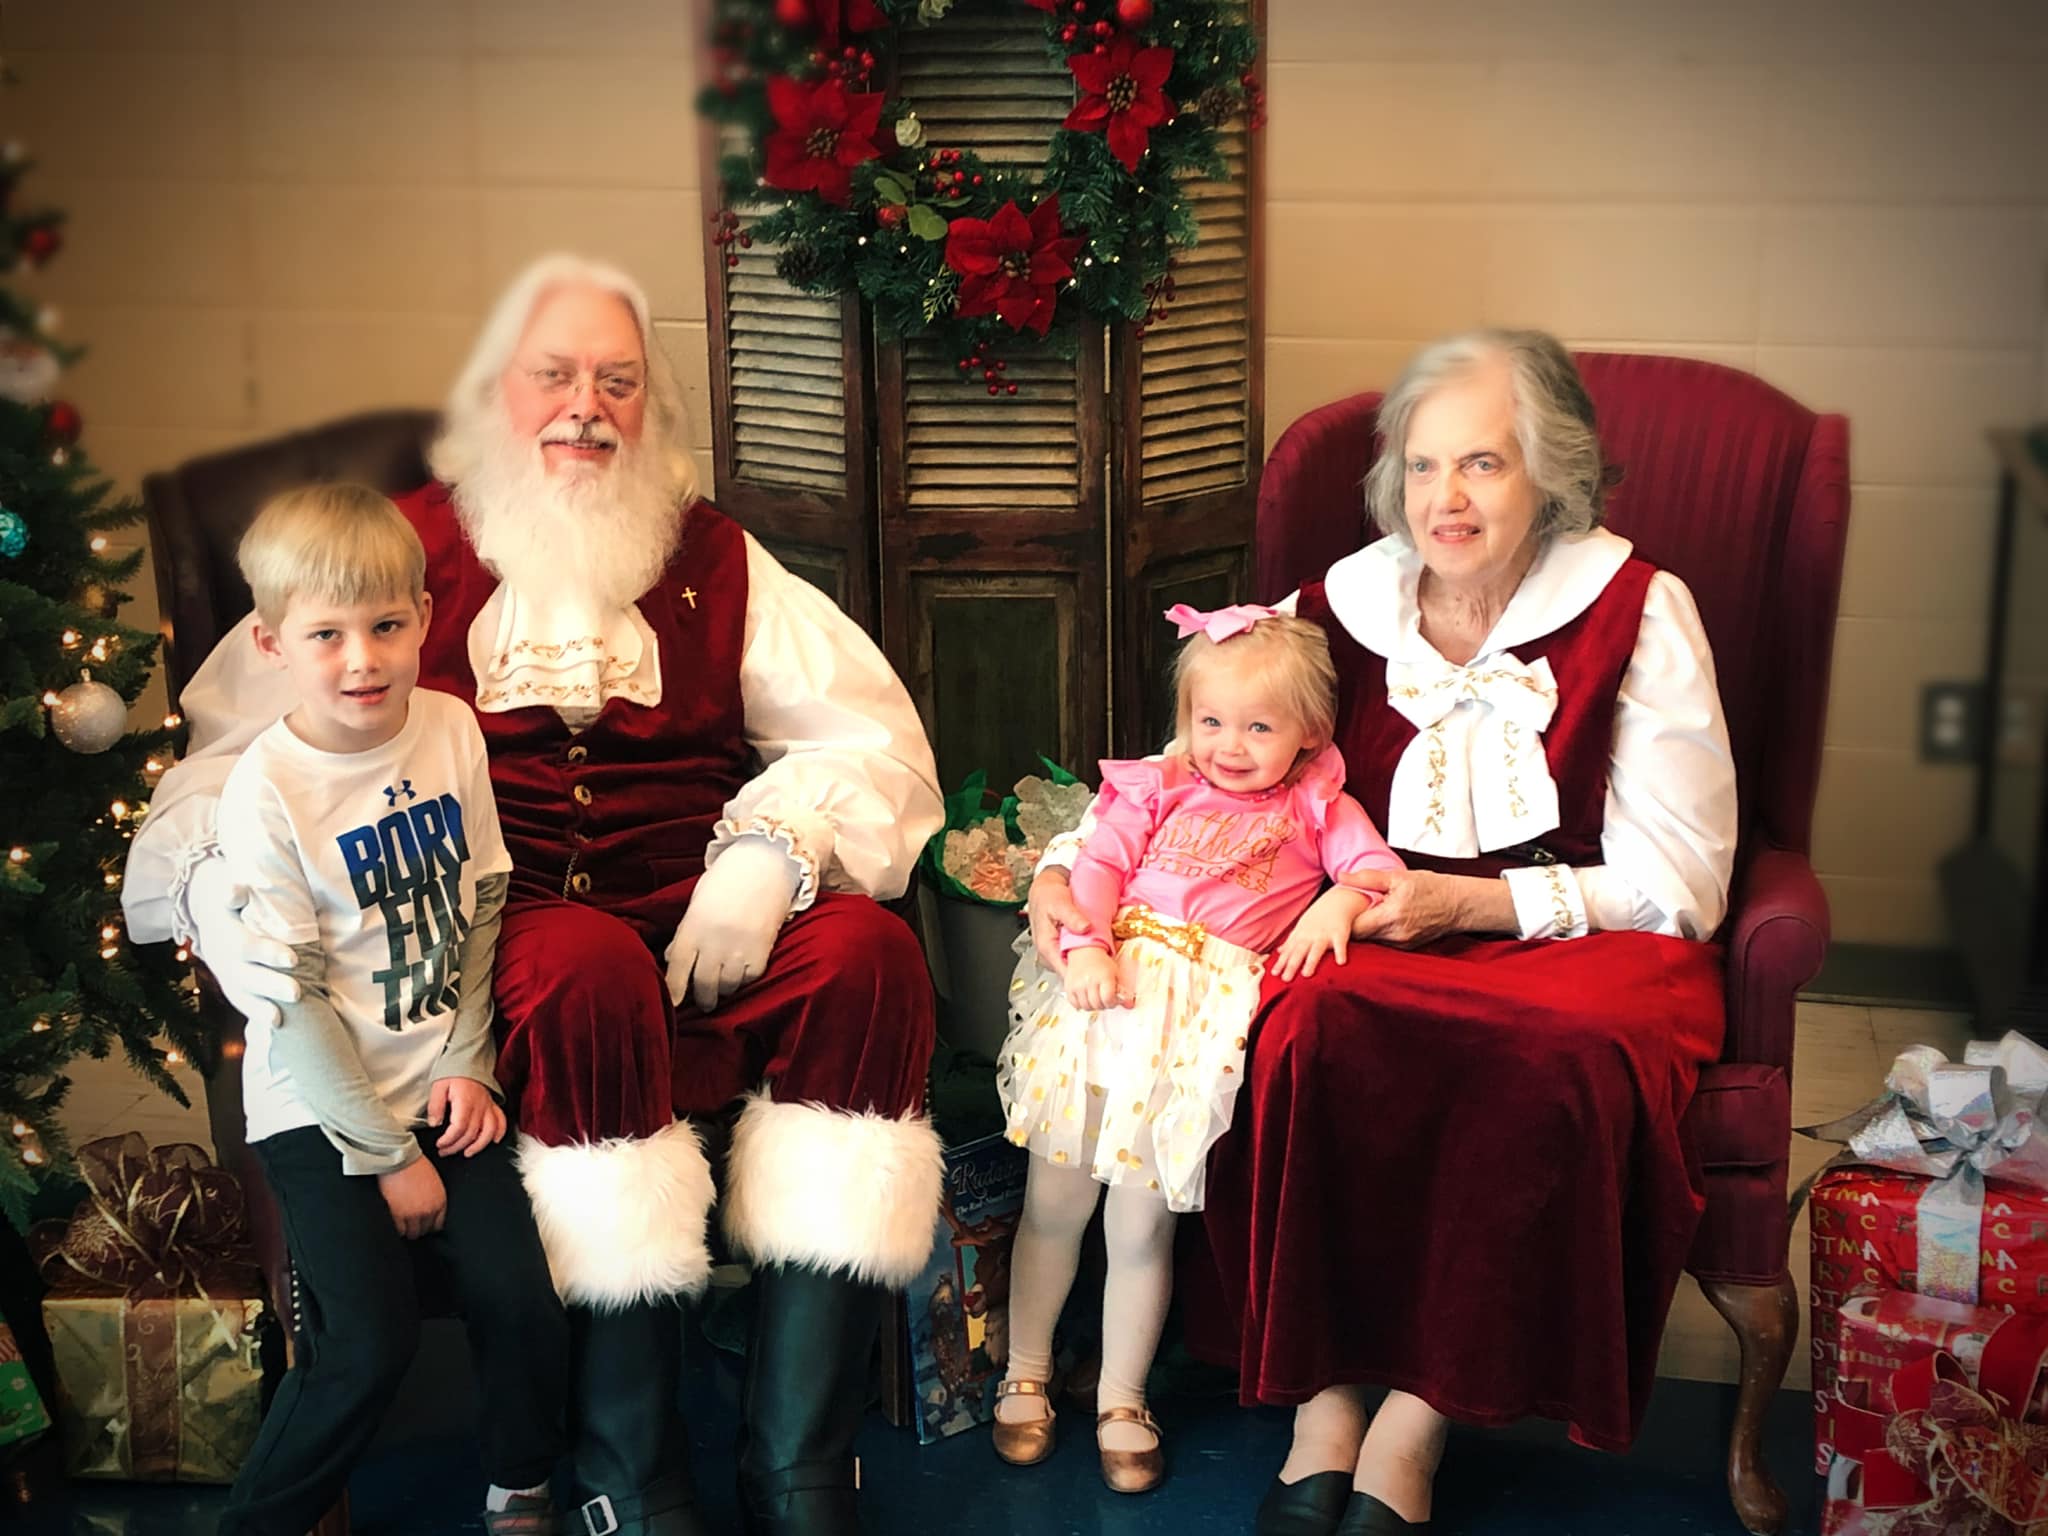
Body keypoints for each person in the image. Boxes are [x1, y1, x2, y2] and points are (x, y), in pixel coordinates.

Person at [124, 255, 946, 1536]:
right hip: (515, 917)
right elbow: (231, 759)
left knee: (869, 958)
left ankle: (797, 1456)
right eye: (553, 376)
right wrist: (246, 924)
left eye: (617, 382)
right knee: (581, 971)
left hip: (699, 894)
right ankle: (632, 1464)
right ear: (492, 397)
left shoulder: (717, 559)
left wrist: (765, 859)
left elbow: (870, 742)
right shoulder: (402, 558)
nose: (586, 408)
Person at [1029, 330, 1738, 1534]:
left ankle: (1420, 1411)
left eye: (1480, 465)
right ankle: (1323, 1392)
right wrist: (1062, 869)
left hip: (1576, 934)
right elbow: (1205, 761)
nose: (1442, 500)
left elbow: (1679, 877)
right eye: (1419, 468)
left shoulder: (1638, 608)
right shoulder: (1338, 607)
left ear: (1548, 474)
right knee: (1309, 1031)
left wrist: (1469, 903)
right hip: (1366, 923)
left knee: (1554, 1061)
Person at [214, 485, 567, 1536]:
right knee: (369, 1344)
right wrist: (386, 1152)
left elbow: (481, 901)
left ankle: (521, 1479)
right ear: (274, 643)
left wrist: (469, 1062)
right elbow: (291, 998)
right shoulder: (267, 789)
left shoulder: (450, 729)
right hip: (318, 1105)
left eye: (384, 626)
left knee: (519, 1297)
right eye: (326, 635)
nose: (361, 659)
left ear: (423, 617)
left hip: (442, 1086)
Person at [993, 605, 1402, 1496]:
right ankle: (1024, 1367)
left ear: (1310, 734)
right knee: (1055, 1205)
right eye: (1210, 721)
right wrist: (1086, 948)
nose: (1230, 744)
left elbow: (1380, 875)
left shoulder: (1316, 804)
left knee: (1140, 1226)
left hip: (1190, 1041)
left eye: (1259, 726)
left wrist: (1338, 904)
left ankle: (1121, 1397)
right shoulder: (1157, 786)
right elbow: (1095, 870)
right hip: (1105, 1003)